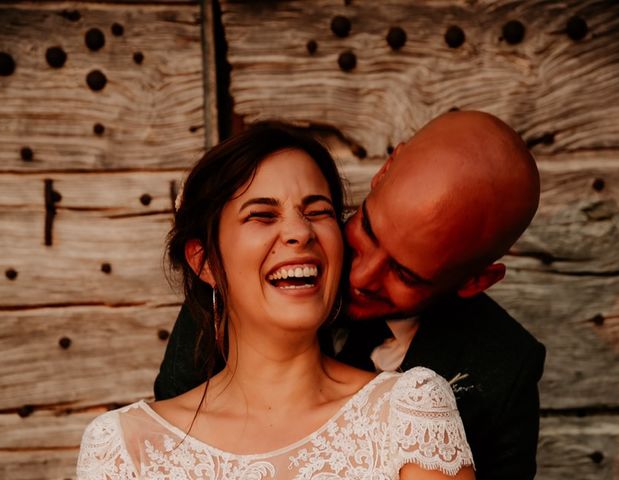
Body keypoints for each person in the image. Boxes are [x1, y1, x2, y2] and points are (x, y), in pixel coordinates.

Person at [155, 111, 546, 480]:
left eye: (403, 274)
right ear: (385, 170)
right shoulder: (245, 290)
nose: (360, 275)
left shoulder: (504, 367)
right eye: (369, 230)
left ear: (475, 281)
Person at [77, 122, 475, 479]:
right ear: (204, 261)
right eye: (262, 215)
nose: (299, 232)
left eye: (318, 212)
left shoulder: (409, 413)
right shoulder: (125, 448)